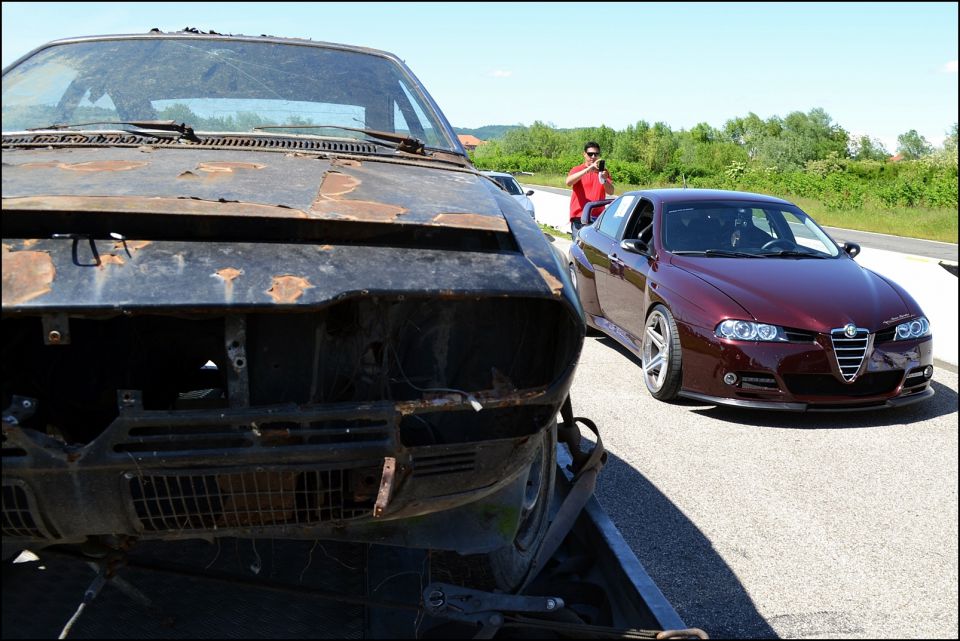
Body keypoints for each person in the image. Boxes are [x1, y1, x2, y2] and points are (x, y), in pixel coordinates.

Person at [566, 142, 614, 238]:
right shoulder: (577, 169)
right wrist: (588, 170)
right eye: (590, 154)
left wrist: (604, 179)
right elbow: (568, 182)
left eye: (596, 154)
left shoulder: (603, 171)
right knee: (579, 248)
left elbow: (611, 191)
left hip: (598, 218)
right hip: (580, 217)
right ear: (584, 154)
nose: (593, 157)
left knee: (593, 250)